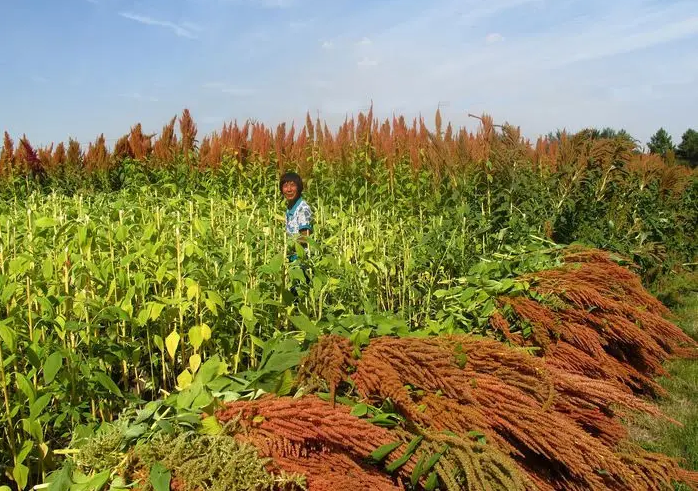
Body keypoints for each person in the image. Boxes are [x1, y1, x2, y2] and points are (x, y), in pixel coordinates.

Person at [280, 171, 313, 261]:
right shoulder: (290, 207)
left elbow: (305, 237)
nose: (289, 189)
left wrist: (288, 246)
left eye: (292, 185)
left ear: (299, 188)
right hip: (291, 258)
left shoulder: (303, 208)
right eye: (285, 186)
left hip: (301, 260)